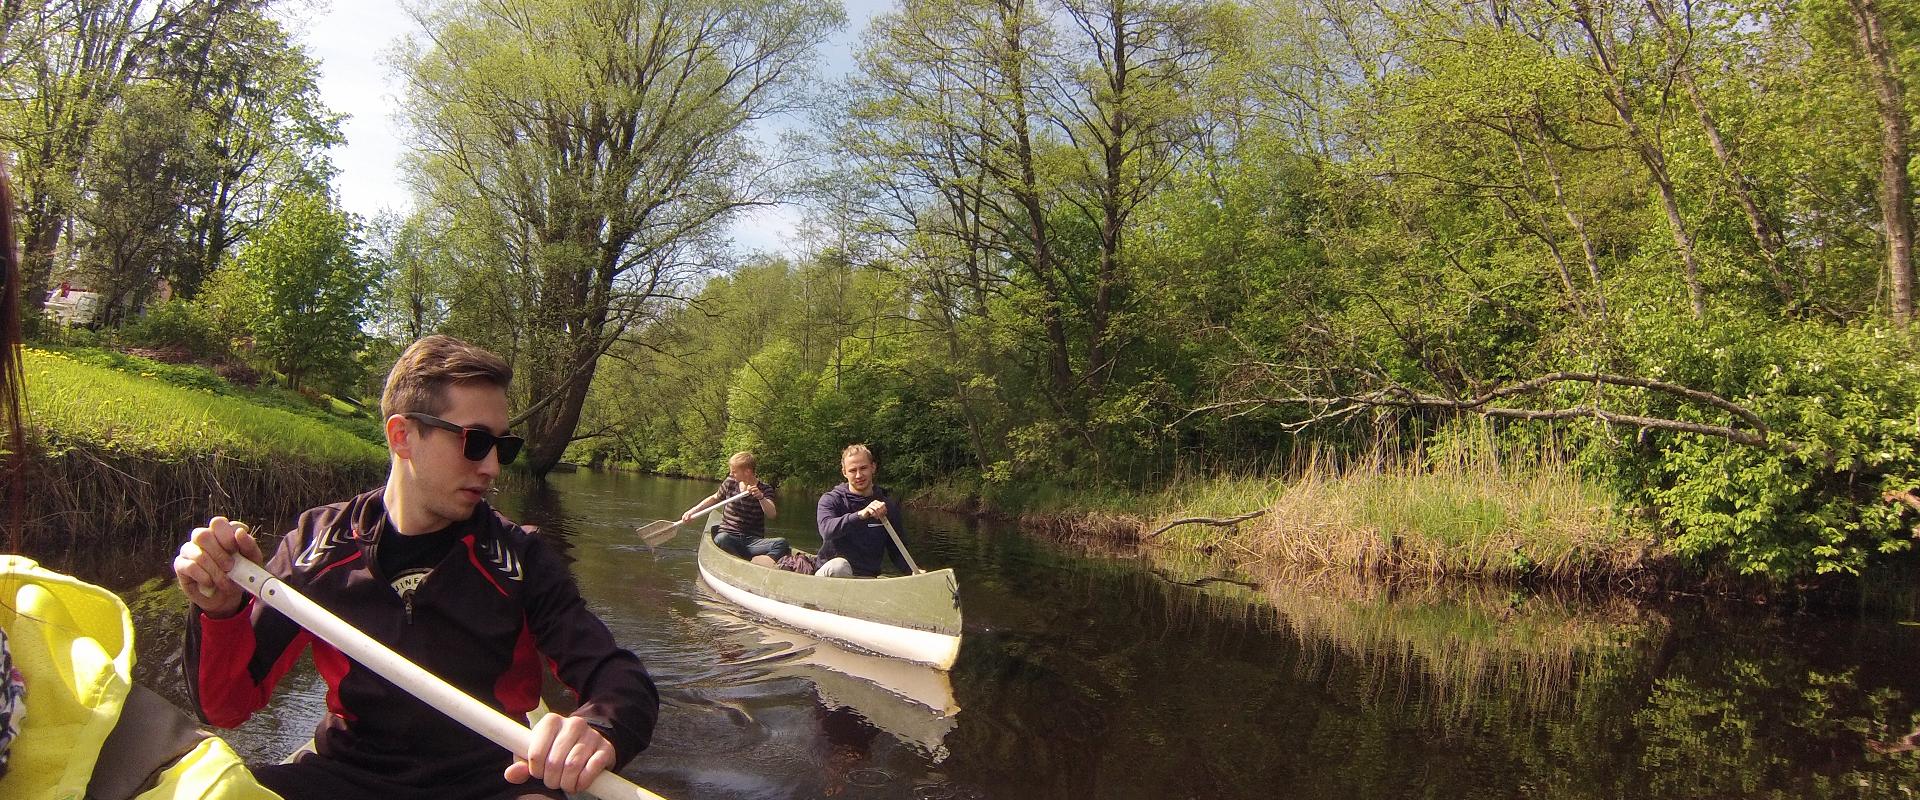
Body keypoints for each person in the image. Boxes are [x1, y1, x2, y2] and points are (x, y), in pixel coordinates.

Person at [172, 335, 659, 800]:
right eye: (474, 442)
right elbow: (225, 707)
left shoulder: (520, 557)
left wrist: (597, 729)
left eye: (502, 447)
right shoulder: (318, 543)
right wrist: (222, 610)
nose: (491, 466)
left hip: (489, 780)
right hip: (349, 777)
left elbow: (615, 675)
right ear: (403, 436)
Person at [814, 444, 909, 578]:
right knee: (840, 567)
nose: (859, 475)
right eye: (853, 470)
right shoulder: (831, 499)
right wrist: (860, 515)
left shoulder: (887, 506)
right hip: (832, 574)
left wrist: (913, 572)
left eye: (863, 468)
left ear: (873, 468)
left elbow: (897, 550)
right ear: (844, 473)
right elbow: (826, 531)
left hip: (867, 578)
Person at [680, 451, 787, 562]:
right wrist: (692, 511)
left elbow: (772, 514)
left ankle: (761, 562)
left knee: (781, 543)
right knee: (722, 538)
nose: (731, 474)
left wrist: (760, 497)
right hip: (729, 537)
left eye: (734, 472)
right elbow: (715, 498)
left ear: (747, 472)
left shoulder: (765, 489)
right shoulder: (730, 482)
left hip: (752, 542)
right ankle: (741, 561)